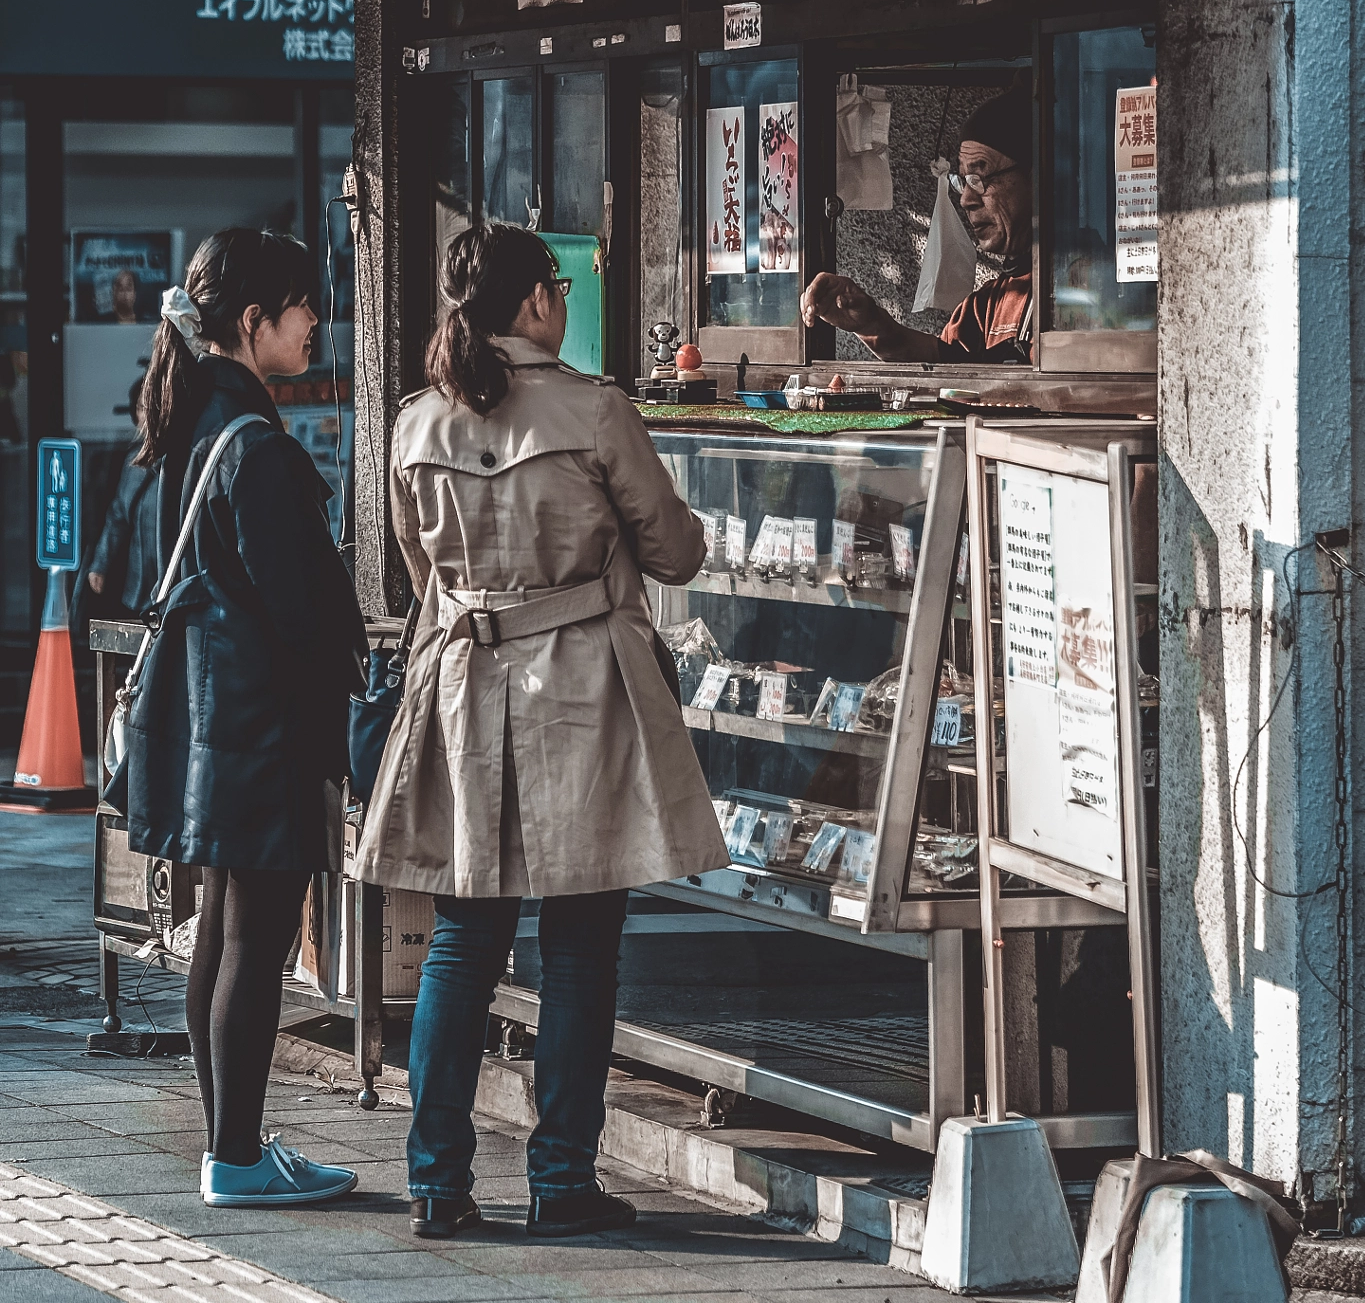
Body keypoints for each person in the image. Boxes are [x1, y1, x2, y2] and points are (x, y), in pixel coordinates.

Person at [353, 222, 727, 1241]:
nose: (561, 302)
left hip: (465, 683)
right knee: (580, 946)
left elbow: (413, 565)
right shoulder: (596, 407)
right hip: (583, 689)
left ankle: (438, 1180)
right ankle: (561, 1179)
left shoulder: (415, 421)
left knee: (462, 940)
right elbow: (676, 548)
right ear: (532, 303)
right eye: (556, 288)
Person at [126, 228, 368, 1210]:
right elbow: (297, 608)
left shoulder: (197, 423)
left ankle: (234, 1142)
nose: (318, 320)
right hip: (262, 726)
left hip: (215, 722)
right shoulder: (252, 446)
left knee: (222, 926)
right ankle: (234, 1155)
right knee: (253, 936)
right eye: (303, 305)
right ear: (253, 321)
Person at [802, 77, 1034, 364]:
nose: (966, 199)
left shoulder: (1077, 297)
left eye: (980, 178)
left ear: (1036, 178)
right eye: (963, 181)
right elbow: (942, 364)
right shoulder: (989, 303)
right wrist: (870, 323)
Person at [85, 381, 159, 617]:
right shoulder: (133, 462)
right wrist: (100, 564)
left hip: (172, 582)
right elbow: (118, 516)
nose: (145, 416)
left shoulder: (186, 461)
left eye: (152, 408)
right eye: (140, 408)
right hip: (139, 582)